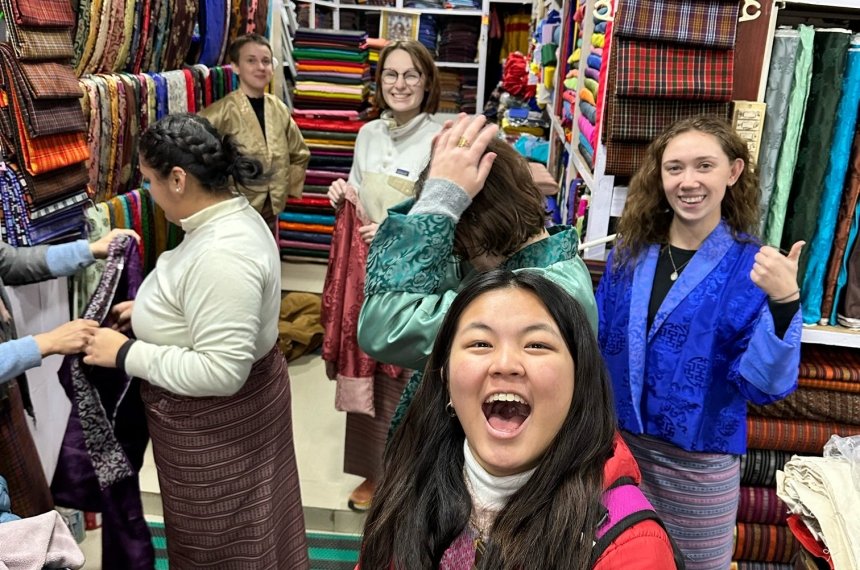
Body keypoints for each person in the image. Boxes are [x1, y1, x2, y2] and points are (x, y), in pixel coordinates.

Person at [83, 113, 309, 568]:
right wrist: (150, 313)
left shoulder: (224, 252)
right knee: (239, 537)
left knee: (223, 546)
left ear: (179, 178)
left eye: (149, 180)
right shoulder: (223, 219)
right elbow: (208, 307)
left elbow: (222, 371)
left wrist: (127, 353)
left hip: (219, 431)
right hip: (226, 425)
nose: (147, 191)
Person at [358, 269, 680, 569]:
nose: (505, 363)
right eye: (480, 343)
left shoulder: (630, 545)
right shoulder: (411, 485)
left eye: (537, 345)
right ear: (445, 379)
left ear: (579, 381)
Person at [595, 116, 803, 570]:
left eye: (704, 166)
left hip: (699, 470)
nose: (688, 182)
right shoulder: (628, 255)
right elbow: (594, 345)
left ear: (732, 172)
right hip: (618, 454)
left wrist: (785, 300)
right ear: (660, 176)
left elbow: (763, 386)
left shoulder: (754, 268)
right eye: (675, 168)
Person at [357, 114, 598, 438]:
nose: (458, 251)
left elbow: (384, 328)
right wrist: (439, 186)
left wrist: (440, 200)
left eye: (458, 236)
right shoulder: (540, 261)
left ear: (474, 225)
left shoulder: (532, 294)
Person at [322, 39, 442, 512]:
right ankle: (375, 472)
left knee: (409, 371)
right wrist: (341, 194)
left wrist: (400, 225)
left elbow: (447, 207)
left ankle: (413, 476)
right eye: (391, 75)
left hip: (415, 272)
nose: (400, 84)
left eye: (411, 74)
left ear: (427, 80)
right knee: (369, 360)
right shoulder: (368, 133)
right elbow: (358, 184)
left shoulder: (443, 134)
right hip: (369, 270)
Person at [0, 228, 136, 519]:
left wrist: (90, 250)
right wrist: (44, 343)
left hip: (4, 391)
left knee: (28, 514)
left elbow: (9, 262)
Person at [199, 33, 310, 233]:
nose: (260, 67)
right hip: (234, 211)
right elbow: (197, 154)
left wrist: (284, 191)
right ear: (235, 66)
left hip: (271, 209)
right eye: (251, 61)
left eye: (266, 61)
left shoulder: (278, 108)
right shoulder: (222, 111)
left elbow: (299, 153)